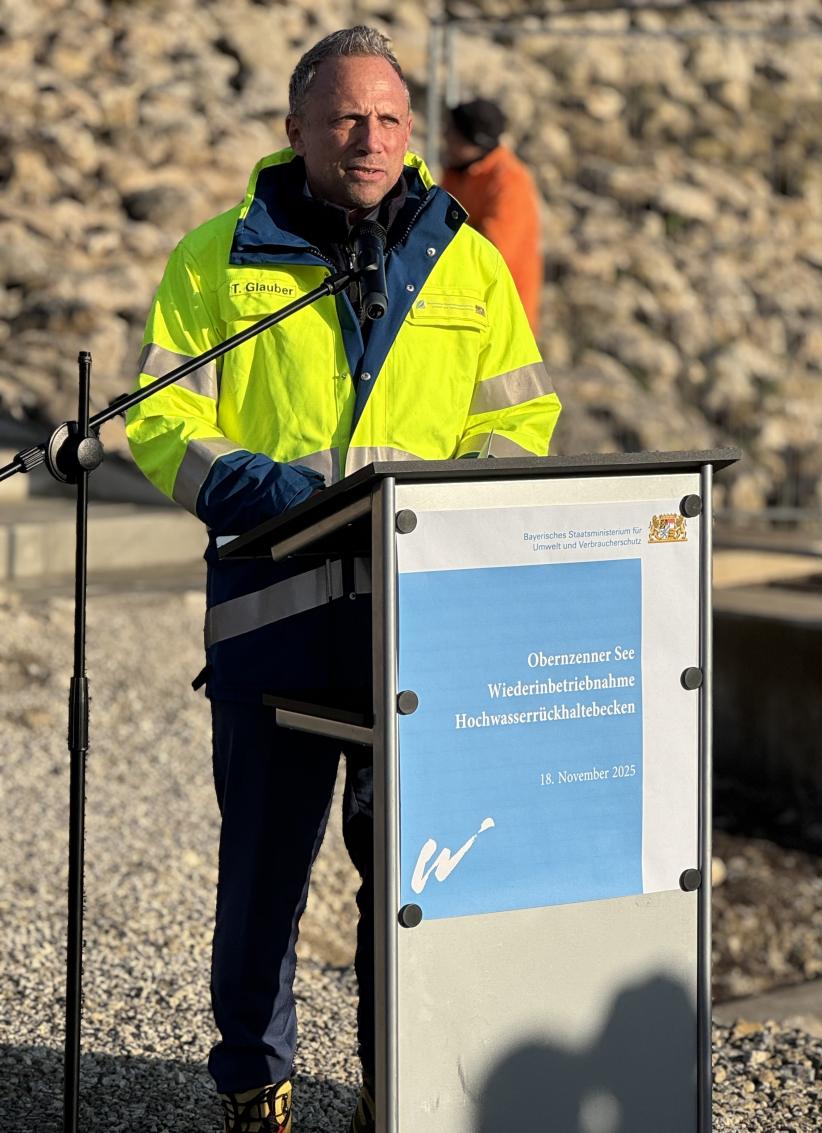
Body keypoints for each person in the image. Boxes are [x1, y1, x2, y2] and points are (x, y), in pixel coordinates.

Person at [125, 25, 560, 1133]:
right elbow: (162, 420)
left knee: (410, 883)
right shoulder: (216, 257)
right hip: (274, 612)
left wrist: (458, 506)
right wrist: (274, 495)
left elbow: (519, 418)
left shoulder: (463, 256)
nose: (369, 139)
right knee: (264, 872)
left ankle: (394, 1082)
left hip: (417, 622)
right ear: (296, 130)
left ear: (411, 131)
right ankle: (251, 1081)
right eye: (345, 118)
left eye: (388, 119)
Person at [441, 98, 543, 333]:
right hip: (469, 312)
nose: (444, 136)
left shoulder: (509, 181)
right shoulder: (458, 173)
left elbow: (492, 254)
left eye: (452, 132)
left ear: (471, 141)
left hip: (504, 320)